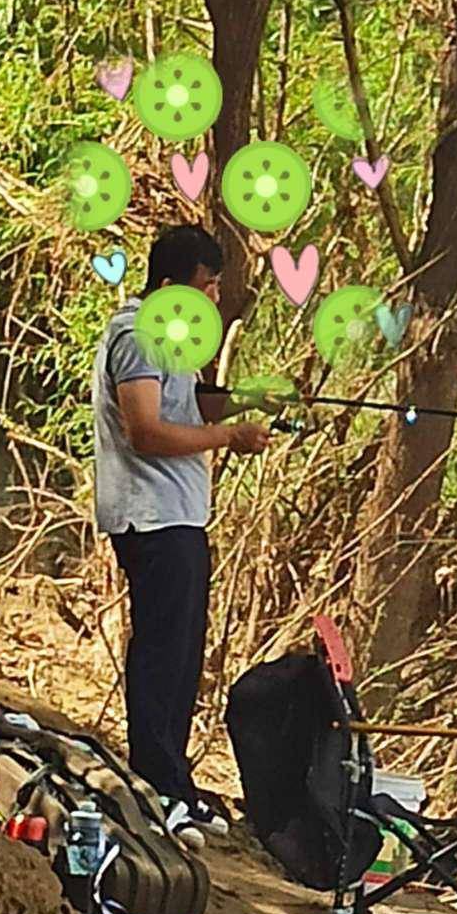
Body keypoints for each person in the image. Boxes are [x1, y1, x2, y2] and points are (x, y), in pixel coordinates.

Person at [92, 222, 266, 835]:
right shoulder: (138, 333)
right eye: (207, 286)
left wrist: (246, 403)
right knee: (163, 654)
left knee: (183, 654)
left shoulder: (170, 338)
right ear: (169, 284)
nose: (213, 299)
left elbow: (182, 409)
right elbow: (146, 428)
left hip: (182, 515)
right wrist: (229, 437)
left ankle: (173, 781)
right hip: (153, 515)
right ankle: (155, 787)